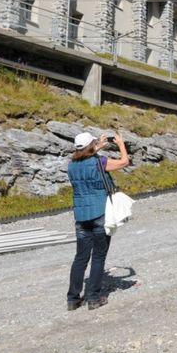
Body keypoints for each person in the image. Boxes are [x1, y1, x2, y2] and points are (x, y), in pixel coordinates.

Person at [66, 131, 129, 311]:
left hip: (81, 216)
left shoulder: (71, 165)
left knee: (80, 258)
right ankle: (93, 298)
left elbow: (85, 156)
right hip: (100, 213)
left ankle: (72, 299)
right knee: (98, 256)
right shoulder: (99, 162)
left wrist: (98, 145)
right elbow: (124, 162)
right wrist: (121, 144)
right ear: (91, 145)